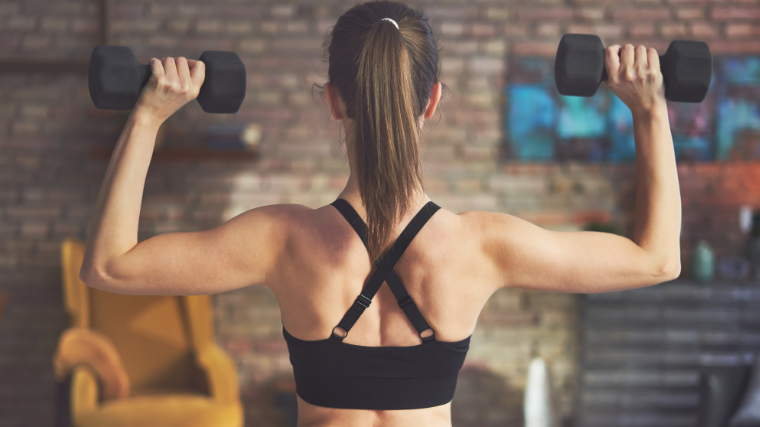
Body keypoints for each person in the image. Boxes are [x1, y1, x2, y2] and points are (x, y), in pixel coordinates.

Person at [80, 1, 681, 425]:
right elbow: (657, 261)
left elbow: (109, 266)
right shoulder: (482, 246)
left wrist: (147, 117)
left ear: (335, 101)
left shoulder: (282, 240)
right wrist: (650, 112)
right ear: (432, 102)